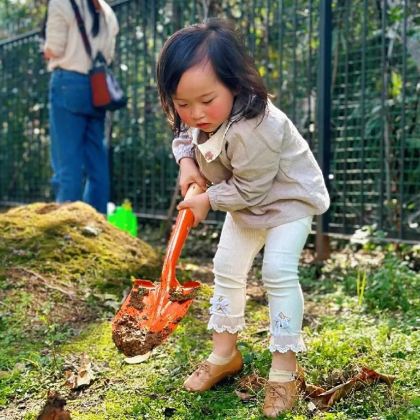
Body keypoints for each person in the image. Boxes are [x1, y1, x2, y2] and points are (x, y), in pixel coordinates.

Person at [156, 19, 330, 417]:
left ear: (234, 84)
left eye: (205, 100)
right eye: (182, 103)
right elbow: (185, 136)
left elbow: (252, 189)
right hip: (244, 200)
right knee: (226, 268)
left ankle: (285, 372)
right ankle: (224, 355)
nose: (195, 113)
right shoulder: (196, 113)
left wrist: (207, 200)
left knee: (278, 272)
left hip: (287, 202)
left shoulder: (257, 126)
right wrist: (187, 165)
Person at [43, 0, 119, 214]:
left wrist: (45, 50)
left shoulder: (61, 3)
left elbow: (54, 48)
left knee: (67, 161)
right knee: (96, 160)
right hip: (96, 88)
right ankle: (96, 221)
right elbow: (108, 55)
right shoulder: (106, 10)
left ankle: (66, 225)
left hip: (67, 83)